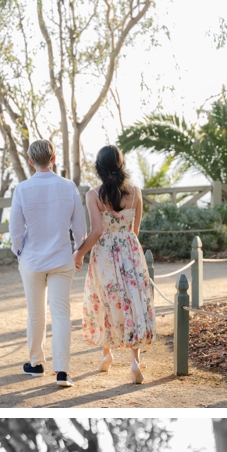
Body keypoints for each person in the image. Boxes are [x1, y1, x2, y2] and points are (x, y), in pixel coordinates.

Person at [73, 145, 156, 384]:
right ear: (122, 165)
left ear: (99, 168)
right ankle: (134, 361)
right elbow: (135, 230)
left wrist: (78, 254)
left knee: (105, 300)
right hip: (130, 250)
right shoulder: (136, 193)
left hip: (105, 256)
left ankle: (107, 355)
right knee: (133, 299)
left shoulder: (93, 195)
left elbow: (97, 231)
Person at [8, 139, 85, 388]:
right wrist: (78, 250)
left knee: (36, 313)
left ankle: (36, 363)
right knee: (61, 315)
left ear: (31, 161)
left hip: (32, 259)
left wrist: (19, 251)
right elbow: (80, 227)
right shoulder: (68, 186)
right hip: (62, 258)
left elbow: (15, 229)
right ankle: (62, 372)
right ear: (54, 159)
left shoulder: (22, 189)